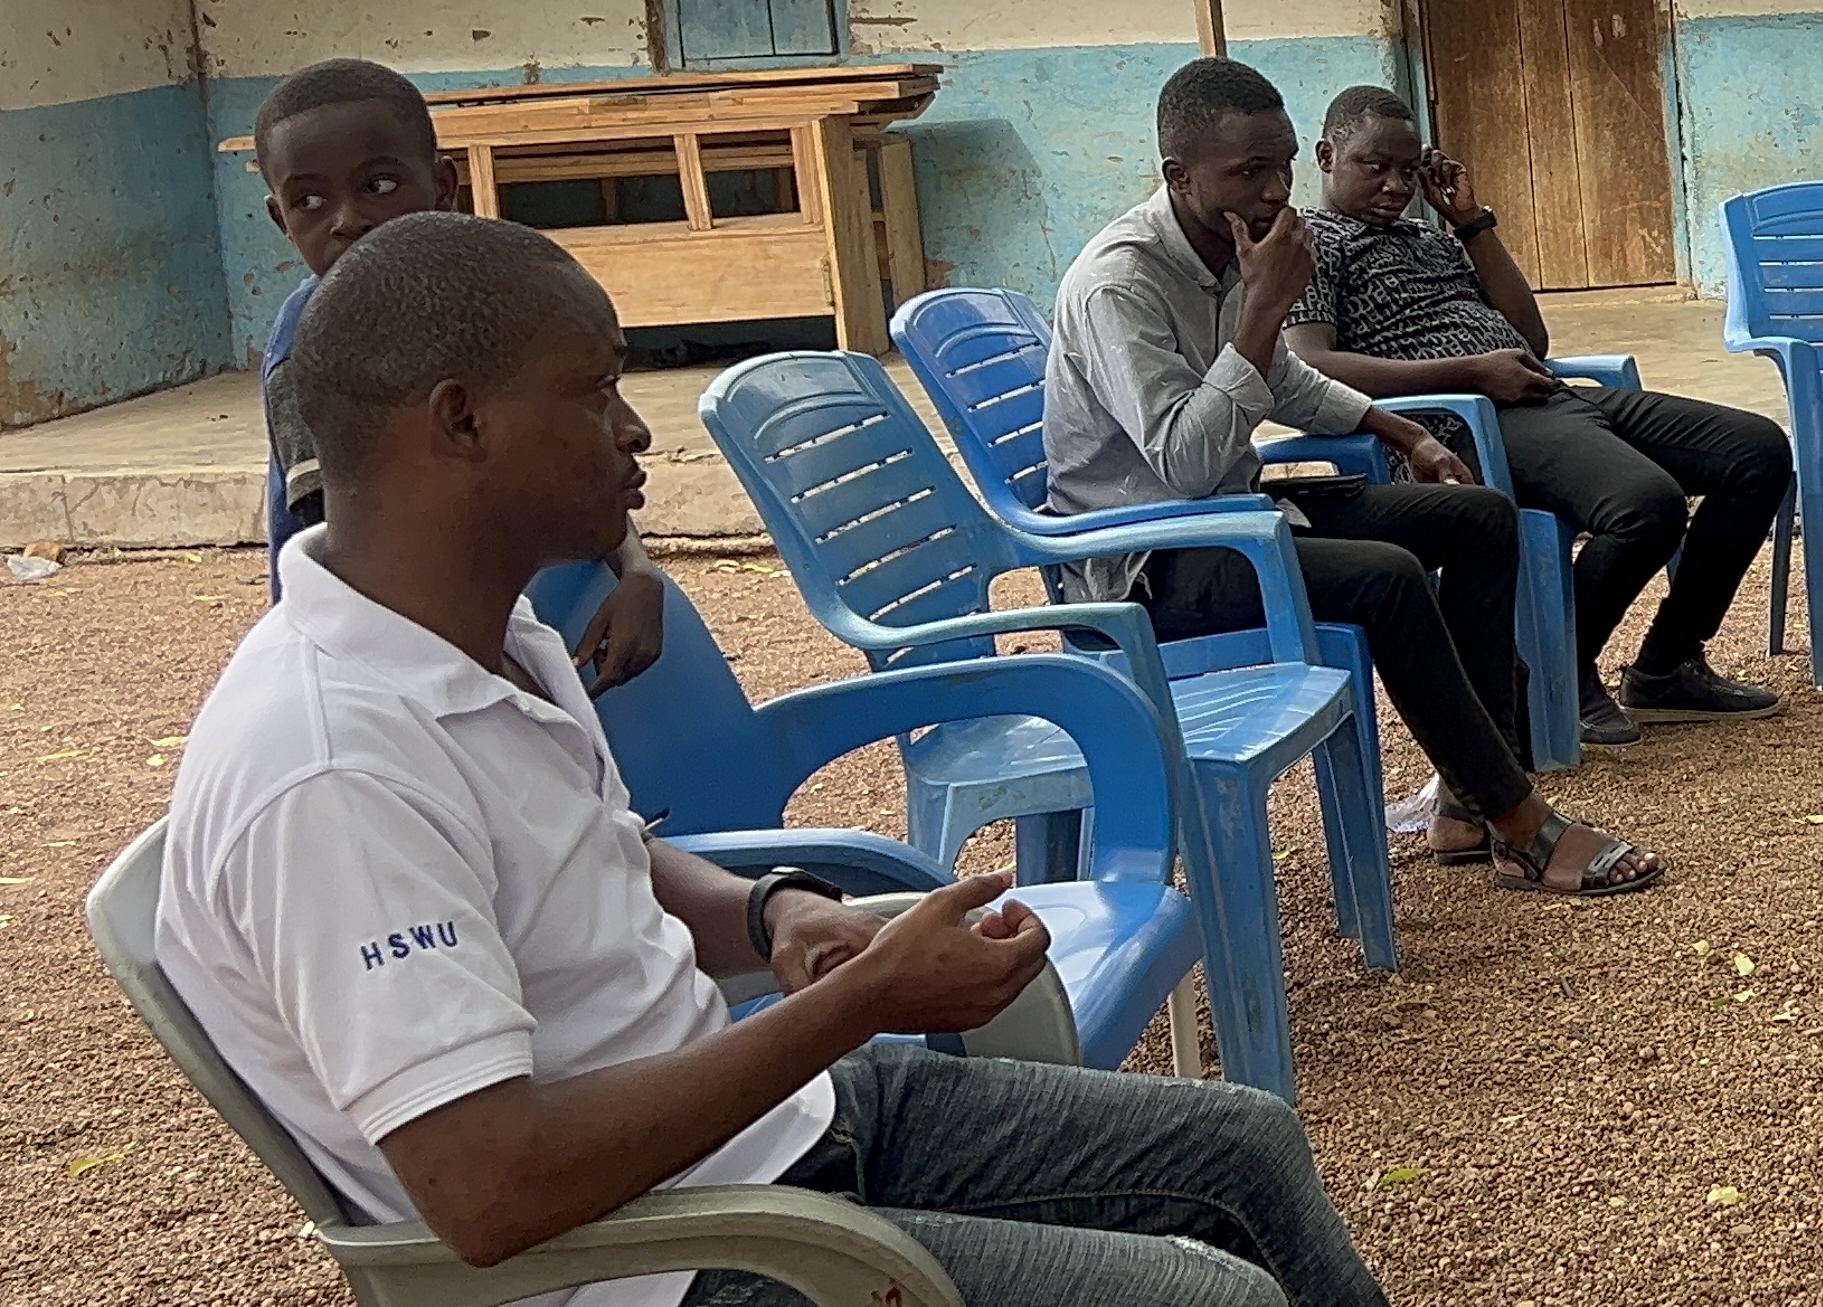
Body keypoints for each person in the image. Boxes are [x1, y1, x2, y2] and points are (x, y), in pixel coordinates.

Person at [157, 210, 1392, 1307]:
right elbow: (490, 1191)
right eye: (593, 393)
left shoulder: (494, 631)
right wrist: (861, 1002)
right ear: (460, 422)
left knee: (1245, 1148)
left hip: (764, 1126)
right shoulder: (332, 767)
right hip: (653, 1259)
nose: (635, 431)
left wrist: (777, 910)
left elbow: (605, 865)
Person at [1041, 57, 1661, 895]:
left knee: (1478, 516)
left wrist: (1398, 429)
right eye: (1247, 173)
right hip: (1148, 562)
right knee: (1387, 578)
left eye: (1282, 165)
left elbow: (1282, 382)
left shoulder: (1230, 248)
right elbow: (1184, 462)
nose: (1272, 193)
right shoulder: (1121, 284)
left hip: (1234, 518)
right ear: (1178, 176)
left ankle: (1465, 798)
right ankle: (1520, 824)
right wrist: (1264, 311)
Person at [1288, 85, 1793, 747]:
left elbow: (1531, 336)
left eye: (1408, 170)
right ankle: (1556, 676)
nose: (1393, 185)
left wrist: (1470, 223)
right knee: (1645, 504)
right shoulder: (1309, 243)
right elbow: (1310, 364)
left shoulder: (1430, 237)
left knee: (1757, 450)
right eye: (1372, 166)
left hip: (1545, 395)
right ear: (1327, 156)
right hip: (1459, 423)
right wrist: (1470, 373)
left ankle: (1667, 664)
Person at [251, 58, 664, 693]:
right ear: (281, 221)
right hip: (385, 667)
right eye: (309, 201)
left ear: (443, 186)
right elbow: (354, 556)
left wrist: (637, 571)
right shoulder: (308, 357)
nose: (347, 219)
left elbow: (581, 450)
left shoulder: (488, 303)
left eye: (380, 185)